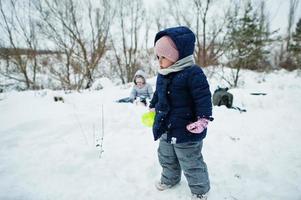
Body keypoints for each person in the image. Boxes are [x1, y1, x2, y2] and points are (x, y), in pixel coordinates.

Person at [149, 26, 213, 200]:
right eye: (158, 57)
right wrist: (153, 106)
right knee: (166, 156)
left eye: (164, 57)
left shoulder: (193, 73)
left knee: (191, 161)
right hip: (166, 126)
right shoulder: (163, 74)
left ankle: (200, 190)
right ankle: (170, 179)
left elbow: (203, 97)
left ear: (179, 56)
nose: (160, 61)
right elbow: (158, 93)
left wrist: (202, 120)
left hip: (187, 129)